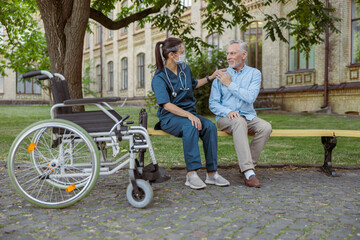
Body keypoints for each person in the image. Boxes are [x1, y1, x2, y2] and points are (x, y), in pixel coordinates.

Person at [151, 37, 230, 190]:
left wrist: (210, 77)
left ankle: (212, 173)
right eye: (181, 52)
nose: (183, 54)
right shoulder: (159, 77)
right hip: (170, 117)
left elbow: (193, 85)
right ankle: (191, 175)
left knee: (210, 127)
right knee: (190, 126)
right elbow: (166, 105)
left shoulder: (184, 69)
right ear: (171, 55)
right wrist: (189, 115)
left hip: (188, 114)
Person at [209, 40, 272, 188]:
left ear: (243, 55)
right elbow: (213, 103)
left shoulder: (254, 74)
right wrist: (227, 111)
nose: (229, 57)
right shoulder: (220, 75)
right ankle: (249, 172)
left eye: (233, 53)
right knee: (238, 121)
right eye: (227, 53)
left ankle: (246, 166)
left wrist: (230, 84)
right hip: (226, 119)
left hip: (248, 116)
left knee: (266, 127)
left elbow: (250, 97)